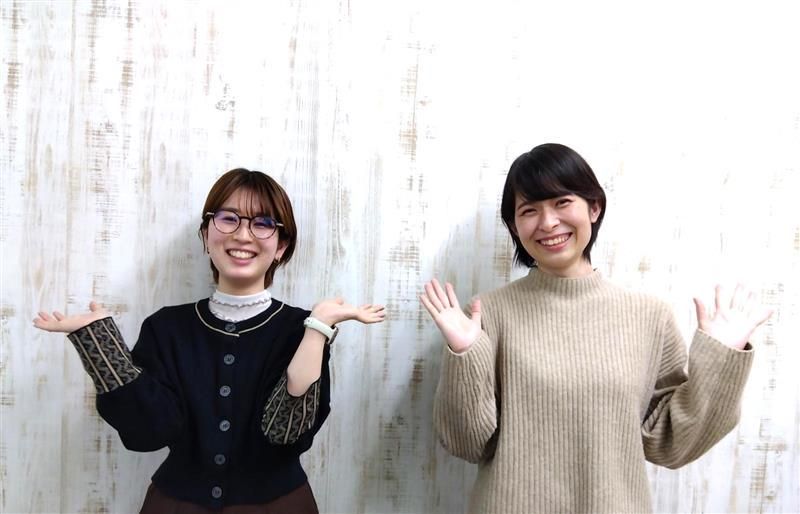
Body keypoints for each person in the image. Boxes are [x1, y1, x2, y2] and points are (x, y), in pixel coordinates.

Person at [420, 143, 772, 513]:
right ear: (514, 226)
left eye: (561, 202)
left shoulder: (649, 317)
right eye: (529, 210)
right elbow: (466, 444)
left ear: (594, 207)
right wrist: (465, 354)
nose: (548, 222)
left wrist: (720, 362)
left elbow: (671, 442)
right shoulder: (487, 314)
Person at [34, 168, 385, 513]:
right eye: (229, 218)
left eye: (263, 223)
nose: (243, 235)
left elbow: (285, 433)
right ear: (206, 235)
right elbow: (149, 432)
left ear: (281, 246)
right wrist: (99, 343)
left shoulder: (299, 328)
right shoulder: (166, 328)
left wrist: (317, 329)